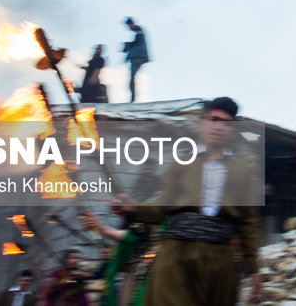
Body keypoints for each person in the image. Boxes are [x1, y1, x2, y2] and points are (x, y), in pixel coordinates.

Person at [112, 97, 263, 305]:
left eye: (226, 123)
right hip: (176, 254)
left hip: (220, 259)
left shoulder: (242, 173)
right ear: (203, 123)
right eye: (213, 119)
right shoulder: (181, 162)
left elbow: (248, 224)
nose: (218, 127)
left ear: (233, 132)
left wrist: (254, 270)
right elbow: (161, 207)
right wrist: (133, 207)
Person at [121, 18, 150, 103]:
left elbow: (138, 42)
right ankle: (132, 97)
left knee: (132, 78)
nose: (129, 28)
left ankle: (133, 98)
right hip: (137, 58)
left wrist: (128, 45)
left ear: (131, 24)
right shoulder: (138, 31)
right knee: (132, 78)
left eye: (129, 26)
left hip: (138, 58)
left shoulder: (139, 30)